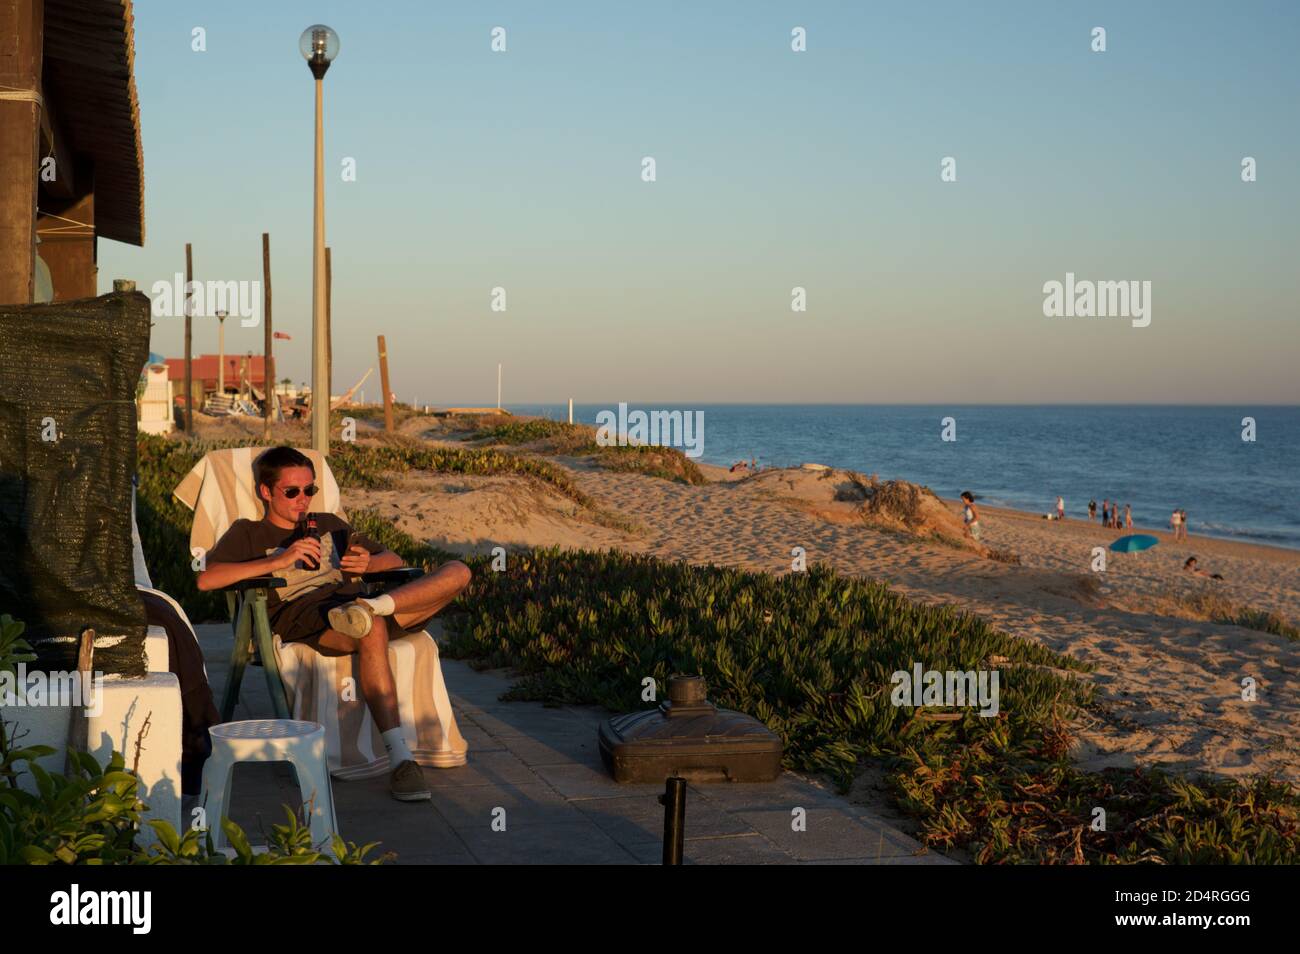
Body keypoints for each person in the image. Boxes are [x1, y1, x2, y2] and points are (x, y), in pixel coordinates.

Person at [198, 446, 472, 802]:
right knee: (370, 626)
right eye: (292, 492)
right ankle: (402, 759)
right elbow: (206, 579)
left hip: (362, 607)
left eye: (309, 490)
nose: (303, 500)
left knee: (458, 571)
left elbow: (393, 559)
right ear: (266, 492)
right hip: (313, 619)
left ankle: (373, 605)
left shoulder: (330, 524)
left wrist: (368, 566)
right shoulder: (248, 533)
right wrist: (279, 560)